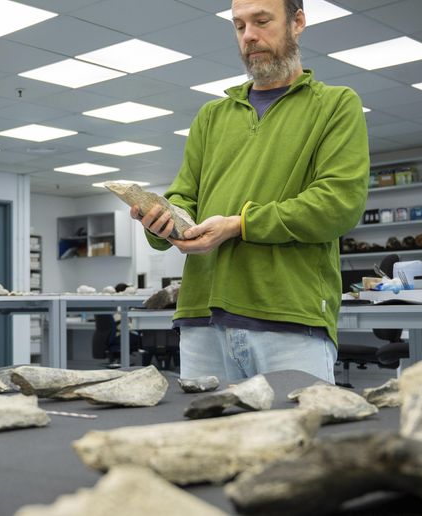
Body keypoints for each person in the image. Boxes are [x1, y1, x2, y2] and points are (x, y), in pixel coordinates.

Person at [131, 0, 369, 385]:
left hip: (288, 321)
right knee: (206, 444)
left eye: (262, 21)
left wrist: (240, 224)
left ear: (298, 22)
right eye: (239, 26)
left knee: (296, 443)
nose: (249, 36)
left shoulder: (336, 105)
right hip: (201, 320)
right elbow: (183, 197)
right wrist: (162, 221)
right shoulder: (212, 116)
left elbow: (337, 205)